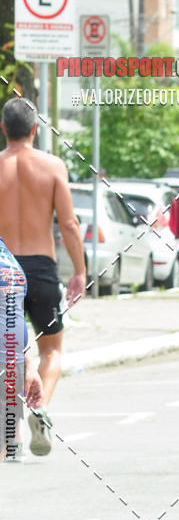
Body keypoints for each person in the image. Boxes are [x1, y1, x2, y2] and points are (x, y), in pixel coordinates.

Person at [0, 97, 85, 456]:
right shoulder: (53, 167)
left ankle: (11, 433)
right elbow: (68, 223)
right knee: (51, 350)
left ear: (4, 128)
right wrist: (79, 271)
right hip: (40, 267)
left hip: (3, 267)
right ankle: (40, 408)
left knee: (8, 353)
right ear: (36, 128)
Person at [0, 235, 43, 462]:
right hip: (12, 365)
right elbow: (16, 316)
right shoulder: (9, 259)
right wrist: (29, 366)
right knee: (9, 448)